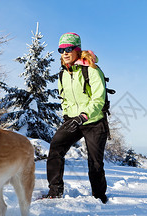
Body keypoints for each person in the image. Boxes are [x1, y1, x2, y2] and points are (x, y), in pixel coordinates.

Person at [45, 32, 108, 204]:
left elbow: (98, 98)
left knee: (95, 161)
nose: (64, 53)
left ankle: (99, 197)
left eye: (69, 49)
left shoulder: (92, 70)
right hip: (73, 120)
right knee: (56, 148)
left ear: (77, 50)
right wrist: (67, 116)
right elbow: (64, 98)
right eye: (61, 49)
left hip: (94, 121)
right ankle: (55, 191)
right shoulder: (63, 74)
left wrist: (84, 115)